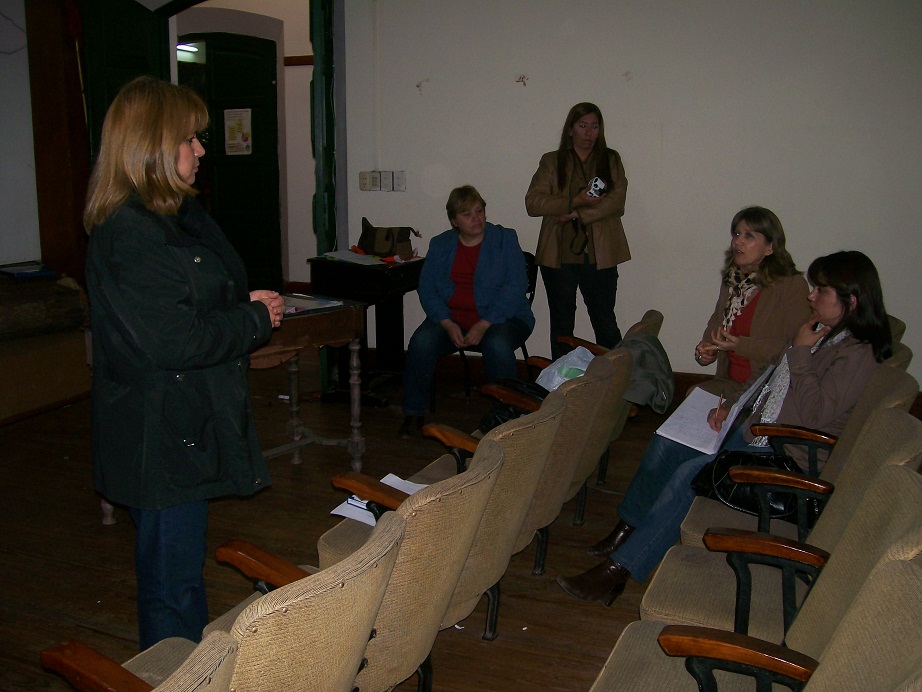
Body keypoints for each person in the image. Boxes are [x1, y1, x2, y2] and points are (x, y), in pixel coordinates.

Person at [556, 250, 892, 607]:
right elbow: (771, 378)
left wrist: (800, 353)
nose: (811, 295)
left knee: (693, 473)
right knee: (669, 442)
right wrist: (734, 407)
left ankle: (618, 570)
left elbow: (814, 415)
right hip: (758, 431)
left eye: (821, 290)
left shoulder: (858, 351)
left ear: (851, 301)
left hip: (787, 455)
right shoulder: (822, 331)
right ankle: (628, 530)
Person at [84, 76, 285, 650]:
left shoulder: (169, 217)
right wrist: (253, 319)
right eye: (189, 139)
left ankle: (190, 671)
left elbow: (190, 297)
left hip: (179, 423)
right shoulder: (131, 233)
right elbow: (174, 341)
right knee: (171, 586)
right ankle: (177, 679)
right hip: (159, 435)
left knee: (180, 574)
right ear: (152, 145)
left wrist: (241, 302)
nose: (200, 150)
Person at [398, 185, 535, 437]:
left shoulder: (504, 239)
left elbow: (516, 287)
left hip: (504, 318)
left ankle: (506, 416)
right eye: (467, 214)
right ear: (454, 221)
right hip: (453, 319)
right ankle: (413, 412)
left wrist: (484, 323)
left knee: (497, 344)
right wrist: (446, 322)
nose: (476, 218)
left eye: (479, 211)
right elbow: (427, 288)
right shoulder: (441, 245)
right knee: (422, 341)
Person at [525, 102, 630, 361]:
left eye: (594, 126)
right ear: (570, 129)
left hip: (599, 255)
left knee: (605, 323)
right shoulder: (552, 161)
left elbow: (616, 202)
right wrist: (573, 200)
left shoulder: (610, 159)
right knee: (562, 326)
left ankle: (615, 380)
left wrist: (576, 213)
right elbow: (533, 202)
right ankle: (561, 382)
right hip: (558, 257)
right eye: (582, 126)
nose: (589, 133)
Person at [692, 206, 812, 398]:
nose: (738, 241)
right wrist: (707, 350)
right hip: (731, 382)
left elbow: (796, 349)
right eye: (737, 234)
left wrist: (741, 345)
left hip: (767, 388)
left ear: (770, 247)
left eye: (749, 236)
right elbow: (715, 324)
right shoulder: (733, 281)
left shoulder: (791, 285)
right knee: (695, 396)